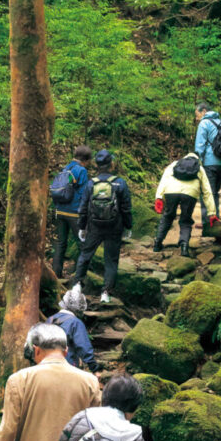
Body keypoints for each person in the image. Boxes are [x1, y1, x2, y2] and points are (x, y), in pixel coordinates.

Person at [72, 148, 132, 305]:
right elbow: (126, 208)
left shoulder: (91, 184)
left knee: (85, 254)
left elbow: (83, 208)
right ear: (111, 164)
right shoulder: (120, 183)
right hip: (114, 227)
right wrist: (128, 226)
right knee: (111, 260)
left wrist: (82, 227)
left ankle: (77, 285)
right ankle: (106, 293)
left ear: (97, 165)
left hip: (94, 226)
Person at [153, 153, 217, 257]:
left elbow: (164, 180)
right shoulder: (199, 168)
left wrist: (159, 197)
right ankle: (184, 246)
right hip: (190, 194)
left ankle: (157, 243)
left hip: (171, 191)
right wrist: (212, 212)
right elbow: (207, 192)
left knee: (168, 216)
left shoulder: (174, 164)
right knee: (185, 219)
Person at [50, 144, 92, 278]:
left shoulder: (65, 168)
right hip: (74, 213)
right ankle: (80, 275)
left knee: (60, 243)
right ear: (86, 160)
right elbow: (85, 193)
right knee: (82, 243)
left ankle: (56, 274)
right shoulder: (82, 171)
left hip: (60, 211)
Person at [194, 101, 221, 229]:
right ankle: (215, 219)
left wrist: (197, 161)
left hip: (209, 163)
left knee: (207, 193)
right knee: (214, 192)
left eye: (197, 114)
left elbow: (200, 145)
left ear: (204, 111)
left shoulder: (204, 124)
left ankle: (207, 222)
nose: (197, 118)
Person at [48, 285, 99, 372]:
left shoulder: (50, 319)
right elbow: (83, 346)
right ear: (79, 308)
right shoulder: (75, 323)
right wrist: (94, 367)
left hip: (46, 364)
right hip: (67, 366)